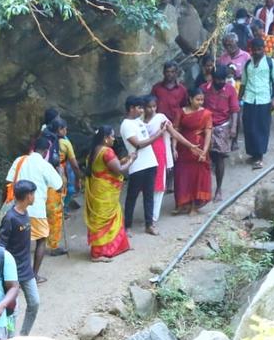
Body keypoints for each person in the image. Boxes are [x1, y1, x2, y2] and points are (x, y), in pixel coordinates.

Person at [4, 137, 62, 283]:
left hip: (16, 210)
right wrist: (59, 170)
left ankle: (11, 275)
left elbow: (8, 182)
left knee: (15, 242)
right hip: (37, 211)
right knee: (41, 240)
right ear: (46, 151)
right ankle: (33, 275)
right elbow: (59, 186)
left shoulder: (19, 160)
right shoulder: (45, 165)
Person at [141, 94, 194, 232]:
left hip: (158, 153)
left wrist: (189, 145)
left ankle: (153, 217)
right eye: (148, 107)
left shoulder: (161, 119)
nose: (152, 109)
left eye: (154, 106)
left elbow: (175, 134)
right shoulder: (139, 122)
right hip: (144, 154)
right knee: (146, 185)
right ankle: (149, 215)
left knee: (158, 186)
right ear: (143, 108)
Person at [83, 126, 134, 262]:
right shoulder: (107, 152)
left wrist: (124, 160)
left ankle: (112, 248)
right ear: (105, 138)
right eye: (111, 136)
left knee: (101, 218)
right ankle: (97, 254)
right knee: (103, 220)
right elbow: (119, 169)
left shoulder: (94, 151)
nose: (113, 139)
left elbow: (106, 166)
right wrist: (131, 161)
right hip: (105, 191)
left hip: (98, 189)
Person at [0, 180, 40, 334]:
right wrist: (3, 273)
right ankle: (11, 339)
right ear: (28, 196)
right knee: (12, 310)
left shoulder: (26, 213)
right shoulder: (10, 218)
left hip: (26, 269)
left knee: (34, 303)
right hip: (12, 272)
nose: (34, 197)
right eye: (33, 194)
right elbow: (1, 246)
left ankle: (23, 336)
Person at [119, 95, 161, 234]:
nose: (142, 110)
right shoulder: (126, 125)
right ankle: (128, 226)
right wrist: (157, 135)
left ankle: (149, 225)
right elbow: (138, 144)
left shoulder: (139, 122)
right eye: (139, 107)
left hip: (150, 162)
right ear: (131, 108)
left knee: (149, 195)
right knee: (132, 196)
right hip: (137, 165)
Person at [202, 67, 240, 203]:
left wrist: (234, 127)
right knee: (204, 158)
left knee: (219, 159)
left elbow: (235, 110)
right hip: (205, 126)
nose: (220, 82)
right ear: (212, 78)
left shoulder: (230, 89)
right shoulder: (204, 89)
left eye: (223, 79)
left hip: (222, 126)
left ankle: (218, 189)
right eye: (218, 79)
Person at [241, 37, 274, 170]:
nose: (257, 52)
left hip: (264, 100)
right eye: (254, 50)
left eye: (259, 49)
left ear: (264, 49)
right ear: (251, 50)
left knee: (262, 128)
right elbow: (243, 83)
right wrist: (237, 99)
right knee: (249, 127)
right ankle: (253, 153)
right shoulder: (247, 65)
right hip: (249, 100)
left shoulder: (270, 63)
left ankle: (259, 157)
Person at [174, 87, 214, 215]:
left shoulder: (206, 114)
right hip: (183, 148)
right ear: (190, 99)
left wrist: (204, 151)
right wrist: (173, 147)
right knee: (182, 175)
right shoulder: (181, 112)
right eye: (197, 99)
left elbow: (208, 133)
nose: (200, 102)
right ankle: (183, 204)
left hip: (199, 147)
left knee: (197, 177)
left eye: (202, 100)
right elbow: (175, 131)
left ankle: (194, 206)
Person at [47, 117, 81, 257]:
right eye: (64, 128)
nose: (66, 130)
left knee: (45, 212)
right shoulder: (65, 143)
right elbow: (73, 164)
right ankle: (53, 245)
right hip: (58, 178)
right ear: (60, 130)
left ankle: (42, 239)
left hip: (43, 179)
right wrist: (78, 178)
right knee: (56, 213)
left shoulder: (46, 140)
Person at [151, 61, 188, 127]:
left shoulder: (182, 89)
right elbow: (151, 105)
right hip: (159, 124)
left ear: (176, 73)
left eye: (172, 72)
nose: (169, 74)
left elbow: (184, 107)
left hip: (176, 125)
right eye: (167, 71)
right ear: (163, 73)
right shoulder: (156, 88)